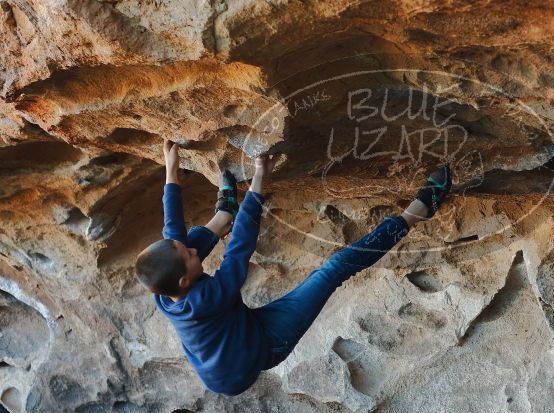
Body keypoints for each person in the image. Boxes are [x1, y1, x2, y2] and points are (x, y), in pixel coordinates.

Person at [135, 139, 452, 396]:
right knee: (333, 270)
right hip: (260, 348)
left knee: (185, 243)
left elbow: (172, 234)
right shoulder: (209, 297)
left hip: (233, 334)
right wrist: (259, 179)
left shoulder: (164, 291)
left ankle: (224, 214)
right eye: (190, 256)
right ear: (183, 281)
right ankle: (419, 211)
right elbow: (240, 246)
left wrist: (171, 170)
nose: (193, 249)